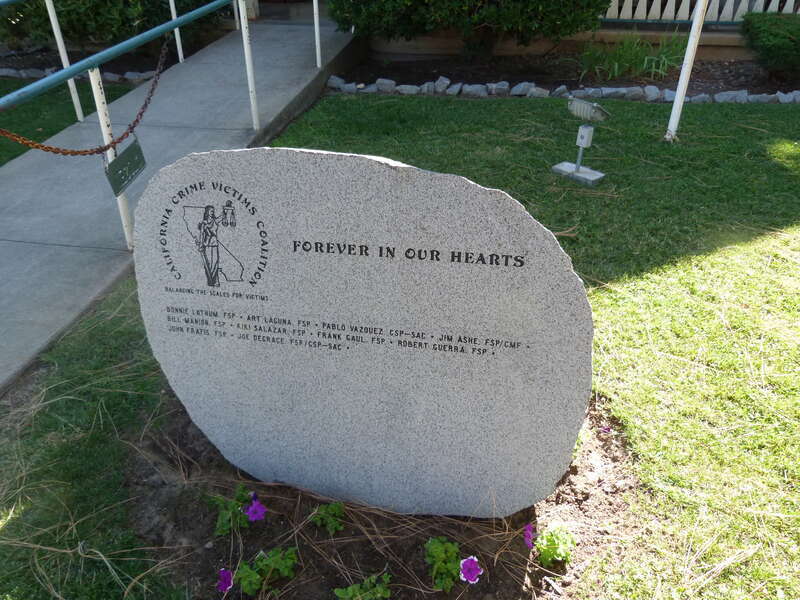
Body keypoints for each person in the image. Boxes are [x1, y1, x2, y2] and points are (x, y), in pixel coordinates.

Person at [197, 205, 224, 286]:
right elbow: (201, 234)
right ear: (207, 212)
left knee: (215, 262)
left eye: (213, 211)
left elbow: (220, 218)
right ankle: (211, 281)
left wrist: (225, 211)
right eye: (211, 211)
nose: (212, 212)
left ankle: (215, 280)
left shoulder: (214, 221)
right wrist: (201, 245)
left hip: (214, 244)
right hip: (207, 245)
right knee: (209, 264)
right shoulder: (204, 223)